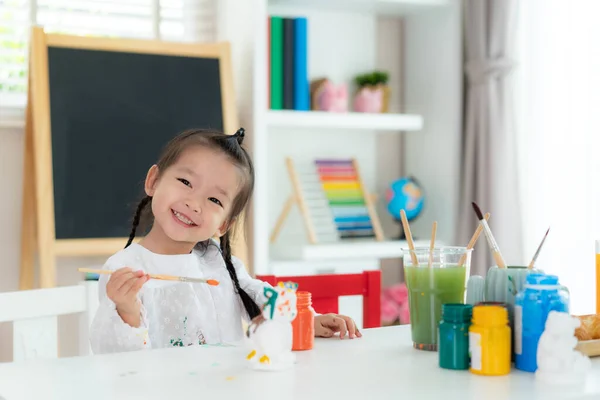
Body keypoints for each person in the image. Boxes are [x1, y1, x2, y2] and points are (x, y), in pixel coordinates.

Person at [89, 128, 362, 354]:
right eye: (185, 181)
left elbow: (260, 297)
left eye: (214, 200)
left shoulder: (218, 262)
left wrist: (308, 321)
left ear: (223, 224)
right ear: (154, 181)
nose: (194, 204)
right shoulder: (123, 268)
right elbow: (114, 362)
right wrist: (126, 309)